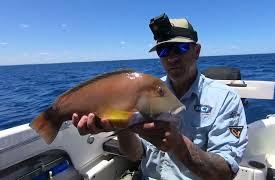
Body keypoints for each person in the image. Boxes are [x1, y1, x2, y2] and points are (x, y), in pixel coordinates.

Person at [72, 13, 248, 180]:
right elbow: (135, 154)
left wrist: (178, 145)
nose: (171, 58)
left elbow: (225, 172)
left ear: (196, 51)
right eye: (163, 51)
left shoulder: (225, 100)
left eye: (180, 47)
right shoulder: (150, 93)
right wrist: (122, 127)